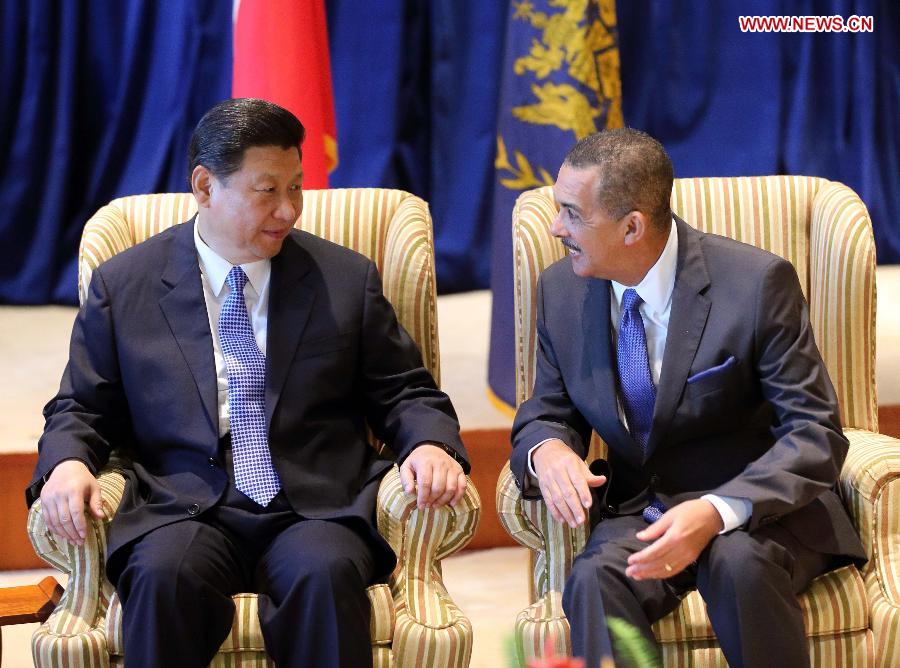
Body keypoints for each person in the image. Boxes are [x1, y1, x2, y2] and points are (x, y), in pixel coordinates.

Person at [26, 98, 469, 668]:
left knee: (327, 577)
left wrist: (430, 443)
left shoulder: (343, 277)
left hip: (314, 504)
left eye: (296, 188)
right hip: (183, 504)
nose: (288, 210)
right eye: (267, 190)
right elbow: (81, 406)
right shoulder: (125, 285)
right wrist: (67, 463)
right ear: (206, 187)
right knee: (162, 578)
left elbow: (405, 390)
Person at [509, 128, 865, 667]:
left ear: (632, 226)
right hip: (645, 508)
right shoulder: (562, 290)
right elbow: (548, 411)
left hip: (760, 512)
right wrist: (548, 449)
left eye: (572, 214)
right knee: (594, 579)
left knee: (737, 562)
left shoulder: (756, 284)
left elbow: (814, 433)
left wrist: (718, 510)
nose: (557, 227)